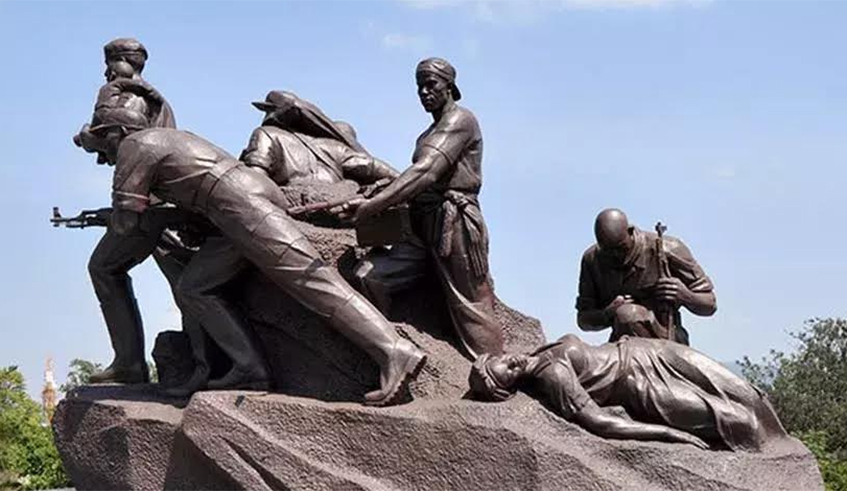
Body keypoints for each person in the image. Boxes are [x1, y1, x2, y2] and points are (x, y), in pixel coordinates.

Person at [89, 106, 425, 407]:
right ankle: (250, 369)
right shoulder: (167, 138)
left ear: (117, 131)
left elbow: (126, 224)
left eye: (101, 142)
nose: (102, 156)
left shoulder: (137, 145)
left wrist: (116, 216)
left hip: (240, 205)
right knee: (195, 287)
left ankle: (394, 350)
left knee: (312, 281)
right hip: (233, 206)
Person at [166, 91, 401, 396]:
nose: (264, 117)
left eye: (267, 111)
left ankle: (226, 366)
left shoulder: (268, 136)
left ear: (276, 115)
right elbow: (390, 175)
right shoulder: (334, 148)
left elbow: (250, 186)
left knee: (195, 283)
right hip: (338, 225)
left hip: (280, 222)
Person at [345, 57, 504, 359]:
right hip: (420, 226)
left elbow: (426, 172)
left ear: (450, 87)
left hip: (454, 224)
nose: (423, 92)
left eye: (431, 84)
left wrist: (371, 207)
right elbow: (416, 176)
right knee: (370, 276)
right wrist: (374, 193)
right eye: (419, 86)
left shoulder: (462, 121)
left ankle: (495, 373)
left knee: (473, 306)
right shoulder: (426, 135)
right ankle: (391, 352)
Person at [468, 334, 789, 452]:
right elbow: (602, 424)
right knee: (739, 421)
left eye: (502, 361)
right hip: (642, 385)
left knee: (746, 393)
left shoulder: (539, 352)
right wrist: (670, 434)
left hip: (649, 350)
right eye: (508, 373)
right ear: (509, 390)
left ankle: (781, 442)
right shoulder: (553, 377)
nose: (511, 362)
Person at [576, 208, 717, 346]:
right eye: (608, 252)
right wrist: (608, 313)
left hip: (667, 343)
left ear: (630, 231)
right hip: (622, 344)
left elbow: (710, 304)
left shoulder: (669, 249)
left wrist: (685, 295)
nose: (616, 256)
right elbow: (583, 319)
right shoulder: (592, 260)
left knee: (628, 313)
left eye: (620, 248)